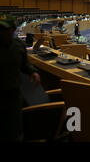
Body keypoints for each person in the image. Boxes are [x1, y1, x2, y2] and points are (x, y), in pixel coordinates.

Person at [0, 14, 40, 142]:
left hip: (13, 94)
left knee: (15, 129)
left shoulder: (19, 45)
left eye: (5, 29)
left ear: (13, 29)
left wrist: (32, 72)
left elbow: (24, 64)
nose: (2, 32)